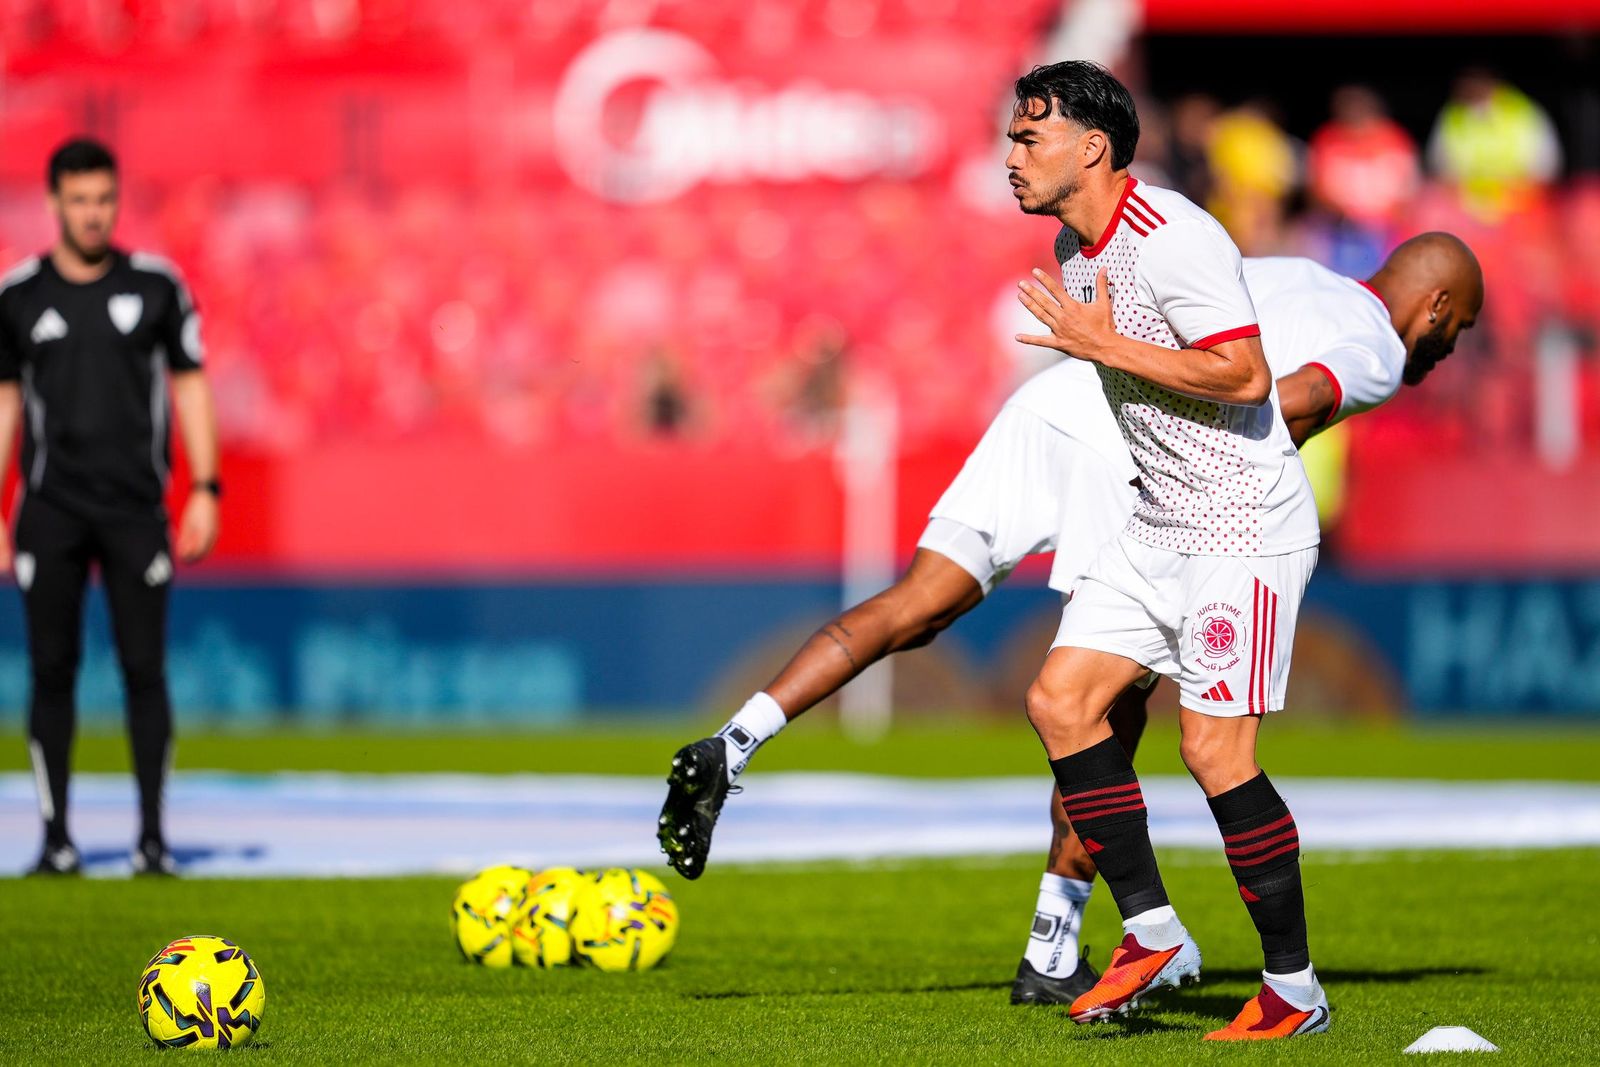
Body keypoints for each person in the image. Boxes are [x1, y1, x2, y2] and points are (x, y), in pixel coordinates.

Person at [656, 83, 1481, 1019]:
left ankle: (1269, 982)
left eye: (1026, 139)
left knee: (1136, 714)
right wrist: (1117, 362)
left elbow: (1248, 378)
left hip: (1216, 507)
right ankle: (1135, 935)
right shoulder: (1117, 257)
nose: (1009, 156)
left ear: (1090, 148)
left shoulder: (1218, 247)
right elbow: (1274, 391)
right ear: (1439, 306)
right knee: (1070, 702)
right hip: (1149, 483)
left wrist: (1111, 352)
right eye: (1010, 137)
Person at [0, 138, 221, 876]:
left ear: (116, 200)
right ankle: (56, 838)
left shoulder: (157, 287)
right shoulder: (19, 296)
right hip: (51, 507)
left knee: (143, 670)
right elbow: (3, 403)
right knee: (52, 670)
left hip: (135, 508)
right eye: (80, 200)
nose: (94, 214)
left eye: (104, 199)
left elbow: (190, 384)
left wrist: (205, 486)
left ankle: (152, 839)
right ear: (55, 202)